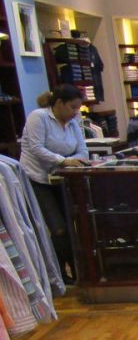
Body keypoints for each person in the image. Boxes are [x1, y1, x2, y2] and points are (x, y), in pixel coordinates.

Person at [20, 84, 90, 282]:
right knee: (58, 228)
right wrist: (63, 160)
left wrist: (71, 161)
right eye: (72, 107)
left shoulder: (73, 123)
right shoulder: (39, 117)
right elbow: (36, 148)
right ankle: (65, 272)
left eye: (78, 108)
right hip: (37, 180)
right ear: (59, 103)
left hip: (62, 179)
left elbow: (83, 150)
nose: (75, 112)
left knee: (70, 226)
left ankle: (74, 272)